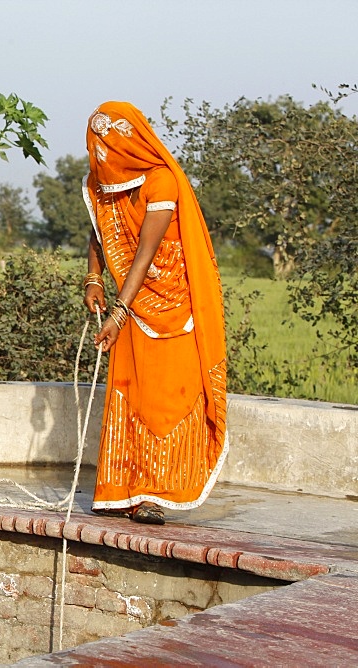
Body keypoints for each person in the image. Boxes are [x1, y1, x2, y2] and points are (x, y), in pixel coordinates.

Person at [81, 102, 228, 525]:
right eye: (96, 145)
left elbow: (144, 252)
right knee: (133, 394)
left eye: (106, 144)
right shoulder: (100, 183)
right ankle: (124, 491)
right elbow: (99, 233)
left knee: (169, 399)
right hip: (130, 308)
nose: (100, 154)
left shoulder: (162, 181)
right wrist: (93, 278)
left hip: (170, 306)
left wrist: (120, 311)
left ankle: (155, 494)